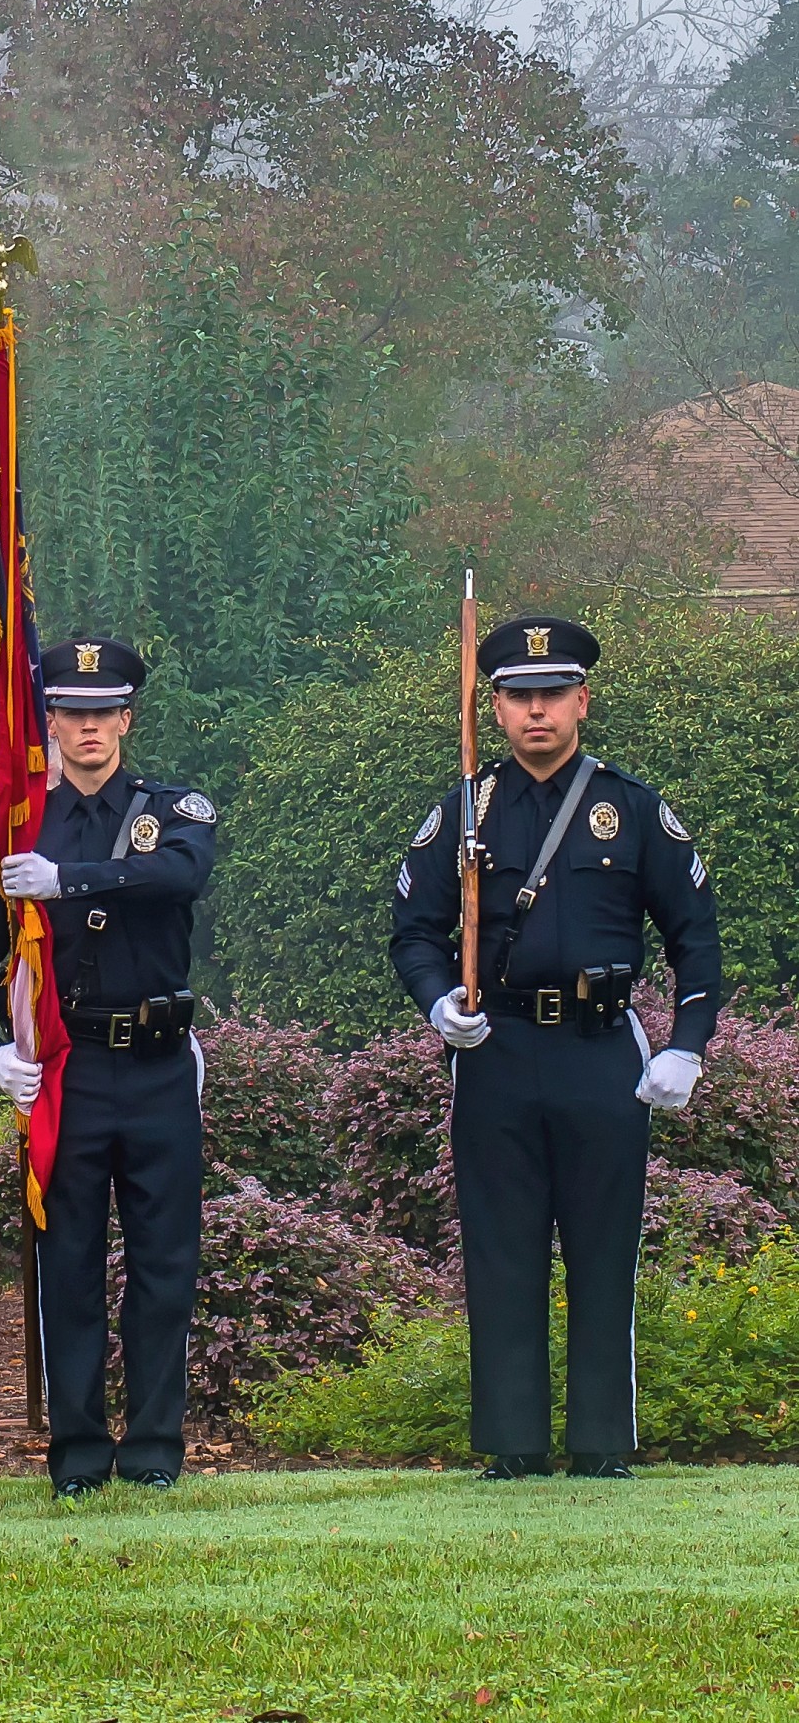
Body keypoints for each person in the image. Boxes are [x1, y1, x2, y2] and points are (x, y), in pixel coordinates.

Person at [391, 615, 721, 1479]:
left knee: (603, 1247)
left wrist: (684, 1046)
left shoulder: (632, 807)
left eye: (551, 695)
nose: (536, 711)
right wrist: (437, 1008)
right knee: (502, 1250)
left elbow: (695, 938)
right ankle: (513, 1444)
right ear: (494, 709)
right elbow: (414, 933)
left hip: (600, 1049)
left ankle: (603, 1443)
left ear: (582, 700)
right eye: (517, 696)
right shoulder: (465, 810)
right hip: (495, 1047)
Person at [0, 637, 217, 1498]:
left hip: (162, 1066)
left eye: (104, 714)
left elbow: (182, 876)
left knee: (165, 1266)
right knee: (70, 1267)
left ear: (127, 719)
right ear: (48, 722)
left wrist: (73, 880)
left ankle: (156, 1450)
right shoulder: (17, 825)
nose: (88, 728)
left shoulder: (174, 808)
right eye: (71, 714)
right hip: (68, 1069)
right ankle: (79, 1455)